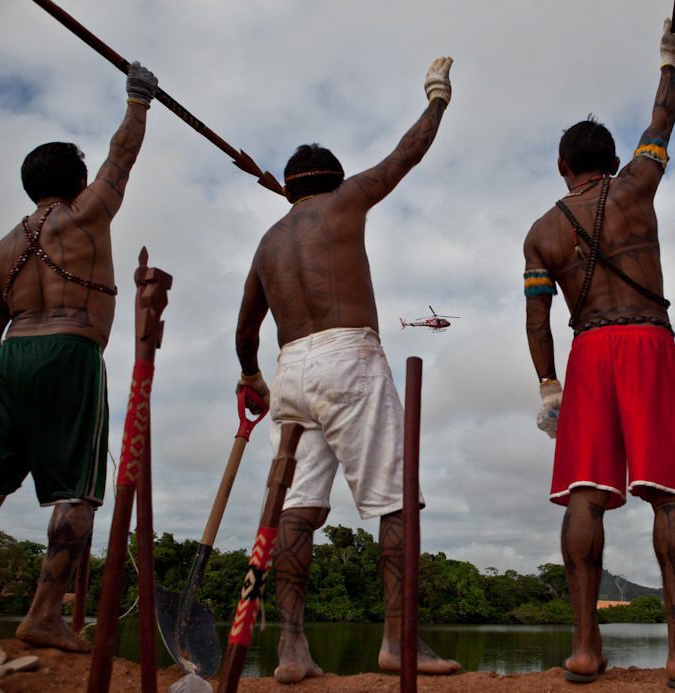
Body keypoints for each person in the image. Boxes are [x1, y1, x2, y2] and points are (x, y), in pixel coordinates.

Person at [523, 20, 675, 690]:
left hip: (586, 351)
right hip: (647, 340)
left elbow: (537, 319)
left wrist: (549, 386)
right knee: (670, 495)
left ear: (562, 166)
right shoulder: (637, 184)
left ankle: (585, 650)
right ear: (613, 160)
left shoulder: (541, 232)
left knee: (583, 497)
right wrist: (669, 61)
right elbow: (662, 120)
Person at [234, 57, 461, 684]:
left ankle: (292, 649)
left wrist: (252, 378)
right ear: (334, 183)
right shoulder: (345, 202)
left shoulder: (268, 243)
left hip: (289, 369)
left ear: (288, 190)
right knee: (396, 500)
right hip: (348, 359)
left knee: (298, 507)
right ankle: (397, 641)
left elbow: (244, 332)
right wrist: (437, 99)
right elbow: (405, 155)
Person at [0, 63, 158, 652]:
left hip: (6, 362)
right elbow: (122, 157)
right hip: (70, 351)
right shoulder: (85, 215)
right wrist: (138, 100)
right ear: (78, 179)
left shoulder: (1, 250)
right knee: (76, 493)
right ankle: (43, 615)